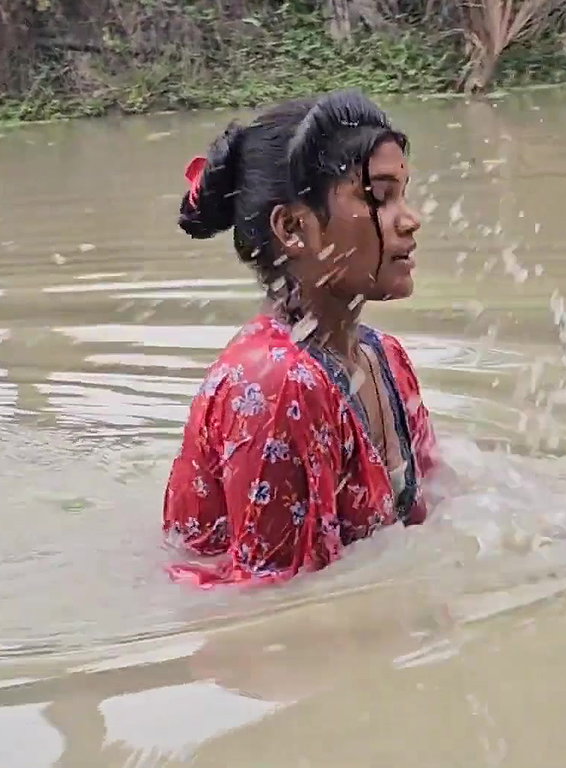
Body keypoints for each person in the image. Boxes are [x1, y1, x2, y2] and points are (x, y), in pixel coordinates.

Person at [161, 89, 444, 588]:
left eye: (403, 193)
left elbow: (441, 508)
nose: (410, 219)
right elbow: (275, 605)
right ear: (294, 228)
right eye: (379, 197)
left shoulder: (384, 358)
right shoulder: (278, 385)